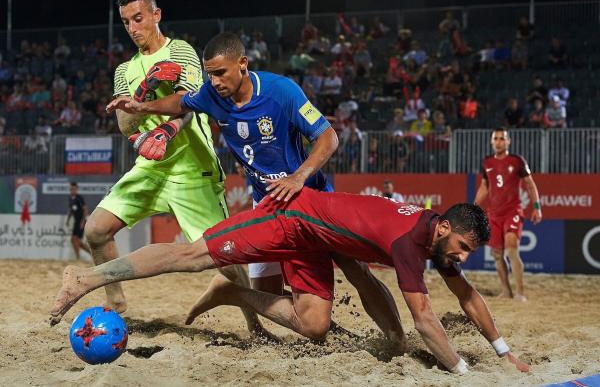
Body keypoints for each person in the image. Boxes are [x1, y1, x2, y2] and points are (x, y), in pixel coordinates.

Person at [107, 31, 407, 345]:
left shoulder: (281, 91)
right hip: (268, 207)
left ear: (243, 63)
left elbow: (328, 137)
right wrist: (141, 107)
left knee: (356, 269)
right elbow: (181, 102)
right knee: (266, 294)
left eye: (221, 73)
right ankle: (243, 296)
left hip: (314, 200)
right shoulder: (211, 94)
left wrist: (298, 177)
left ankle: (396, 338)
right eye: (210, 75)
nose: (215, 82)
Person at [51, 188, 530, 375]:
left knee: (317, 324)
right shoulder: (411, 243)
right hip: (292, 218)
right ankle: (87, 278)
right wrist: (461, 371)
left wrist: (503, 351)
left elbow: (467, 296)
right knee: (193, 255)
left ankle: (232, 291)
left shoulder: (437, 240)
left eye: (468, 252)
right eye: (463, 247)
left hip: (322, 240)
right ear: (443, 228)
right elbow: (425, 317)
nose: (463, 258)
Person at [86, 0, 262, 335]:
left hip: (192, 168)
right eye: (126, 22)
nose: (133, 27)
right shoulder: (124, 71)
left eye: (138, 18)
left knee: (226, 257)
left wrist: (166, 131)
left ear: (156, 15)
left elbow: (191, 101)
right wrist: (144, 91)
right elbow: (125, 123)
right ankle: (116, 302)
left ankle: (254, 325)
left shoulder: (180, 51)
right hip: (151, 167)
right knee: (95, 231)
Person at [474, 128, 542, 302]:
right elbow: (484, 186)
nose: (498, 142)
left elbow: (530, 184)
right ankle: (506, 292)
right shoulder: (487, 162)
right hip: (494, 214)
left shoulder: (517, 160)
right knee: (497, 254)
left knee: (512, 250)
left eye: (502, 139)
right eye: (495, 139)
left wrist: (537, 207)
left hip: (513, 212)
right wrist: (474, 207)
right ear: (491, 142)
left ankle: (520, 293)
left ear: (508, 141)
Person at [65, 182, 90, 260]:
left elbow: (85, 209)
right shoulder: (70, 198)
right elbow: (71, 210)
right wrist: (68, 220)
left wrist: (83, 221)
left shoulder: (79, 198)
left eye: (74, 189)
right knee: (75, 240)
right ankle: (90, 252)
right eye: (71, 189)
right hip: (76, 221)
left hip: (81, 221)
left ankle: (78, 257)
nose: (72, 190)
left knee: (75, 239)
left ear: (76, 189)